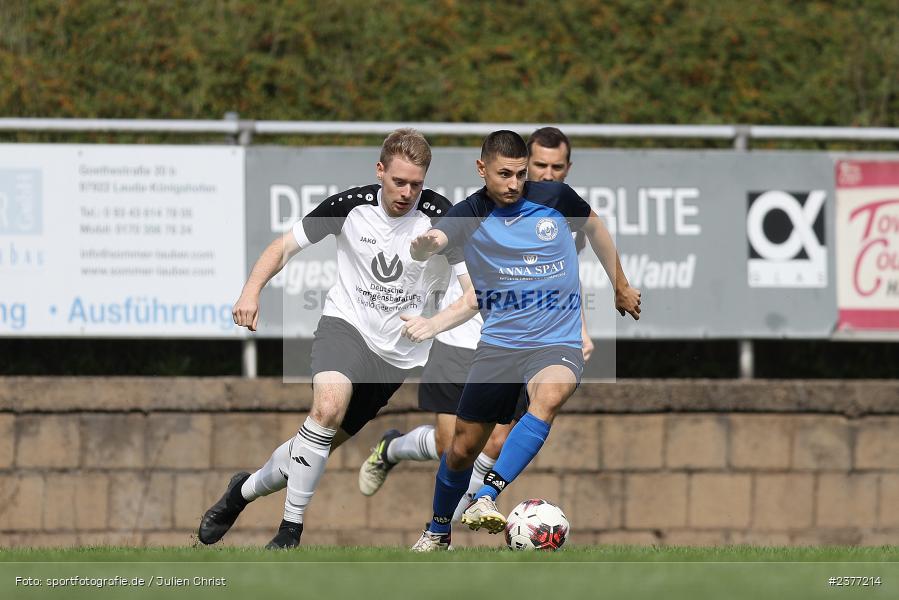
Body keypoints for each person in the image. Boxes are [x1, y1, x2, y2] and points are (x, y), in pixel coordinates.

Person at [196, 128, 472, 549]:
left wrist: (436, 325)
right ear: (380, 171)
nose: (407, 192)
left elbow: (473, 294)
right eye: (399, 181)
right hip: (345, 328)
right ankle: (290, 532)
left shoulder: (441, 219)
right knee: (325, 409)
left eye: (416, 184)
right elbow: (284, 247)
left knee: (310, 449)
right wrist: (251, 291)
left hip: (395, 358)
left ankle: (242, 491)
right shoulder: (350, 206)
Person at [401, 130, 641, 551]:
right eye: (503, 174)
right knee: (460, 450)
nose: (514, 184)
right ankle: (438, 530)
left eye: (520, 174)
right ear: (482, 170)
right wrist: (426, 245)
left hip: (556, 340)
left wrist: (620, 285)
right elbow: (438, 238)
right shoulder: (470, 212)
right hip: (500, 347)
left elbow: (595, 227)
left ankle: (487, 496)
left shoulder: (555, 197)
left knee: (550, 396)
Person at [357, 128, 594, 525]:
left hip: (517, 347)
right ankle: (393, 449)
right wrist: (431, 321)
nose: (545, 176)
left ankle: (464, 514)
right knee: (453, 446)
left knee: (497, 441)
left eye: (556, 168)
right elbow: (468, 292)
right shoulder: (476, 211)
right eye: (539, 167)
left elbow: (562, 279)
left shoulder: (556, 212)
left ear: (567, 169)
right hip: (459, 338)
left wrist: (579, 327)